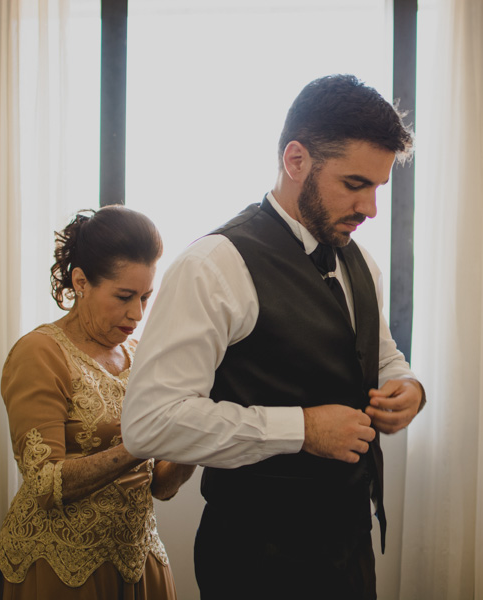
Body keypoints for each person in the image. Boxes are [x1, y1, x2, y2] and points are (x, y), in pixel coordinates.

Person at [122, 74, 425, 600]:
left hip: (349, 550)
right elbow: (150, 424)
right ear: (295, 160)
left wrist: (408, 388)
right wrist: (302, 430)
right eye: (355, 184)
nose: (371, 209)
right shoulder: (213, 267)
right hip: (255, 561)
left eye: (378, 188)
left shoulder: (361, 263)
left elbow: (381, 354)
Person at [0, 206, 196, 600]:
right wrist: (138, 445)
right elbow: (45, 484)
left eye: (146, 297)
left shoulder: (141, 357)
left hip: (139, 560)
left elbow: (160, 488)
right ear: (81, 282)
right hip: (61, 567)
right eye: (124, 296)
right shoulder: (40, 353)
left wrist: (194, 438)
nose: (137, 314)